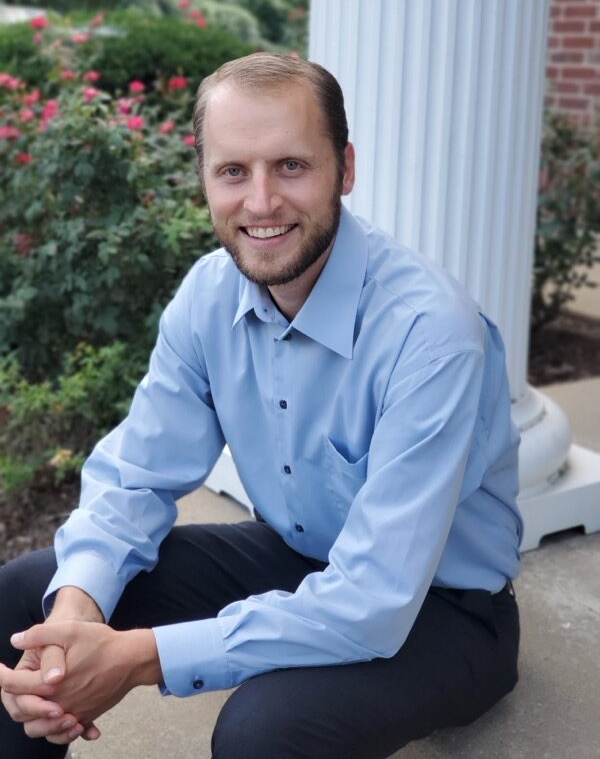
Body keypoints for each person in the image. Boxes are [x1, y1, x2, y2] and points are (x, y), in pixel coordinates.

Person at [0, 52, 522, 759]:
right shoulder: (209, 295)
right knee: (32, 597)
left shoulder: (432, 335)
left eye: (292, 166)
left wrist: (136, 657)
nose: (262, 202)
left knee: (265, 730)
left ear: (346, 167)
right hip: (302, 556)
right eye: (234, 171)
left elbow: (373, 601)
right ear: (206, 181)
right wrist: (75, 620)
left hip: (444, 609)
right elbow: (136, 477)